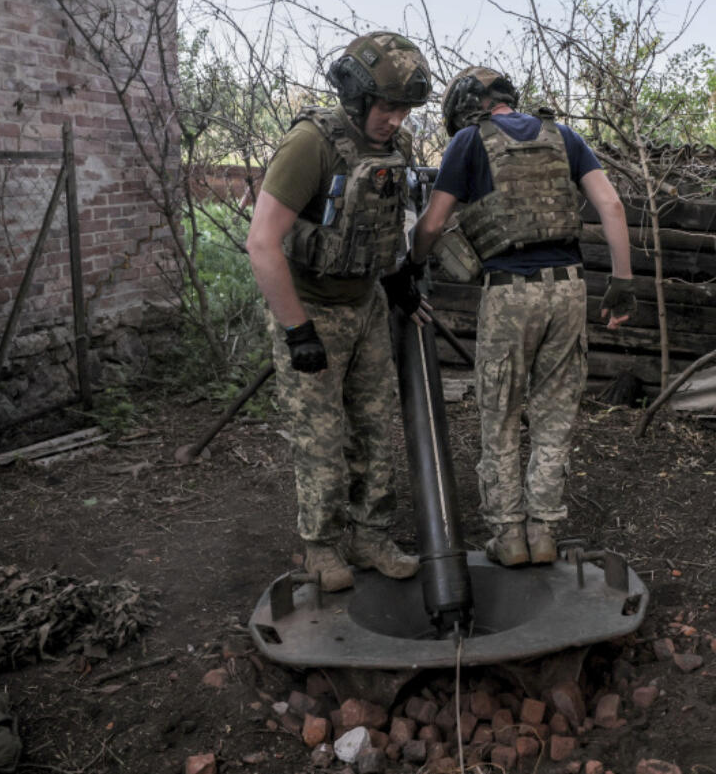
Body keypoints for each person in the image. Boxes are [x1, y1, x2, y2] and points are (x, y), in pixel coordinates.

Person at [405, 66, 635, 567]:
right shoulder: (564, 135)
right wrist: (622, 283)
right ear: (509, 98)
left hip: (509, 295)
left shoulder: (468, 142)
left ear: (466, 106)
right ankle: (545, 531)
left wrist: (413, 261)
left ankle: (509, 536)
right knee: (555, 416)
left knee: (501, 413)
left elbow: (434, 223)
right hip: (570, 289)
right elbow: (612, 206)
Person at [245, 31, 431, 592]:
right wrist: (296, 328)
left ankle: (370, 536)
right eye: (388, 106)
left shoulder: (392, 150)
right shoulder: (311, 144)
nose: (396, 119)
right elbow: (261, 241)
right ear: (356, 95)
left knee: (376, 432)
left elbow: (384, 225)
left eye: (404, 109)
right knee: (321, 441)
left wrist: (397, 279)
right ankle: (321, 547)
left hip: (366, 306)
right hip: (312, 309)